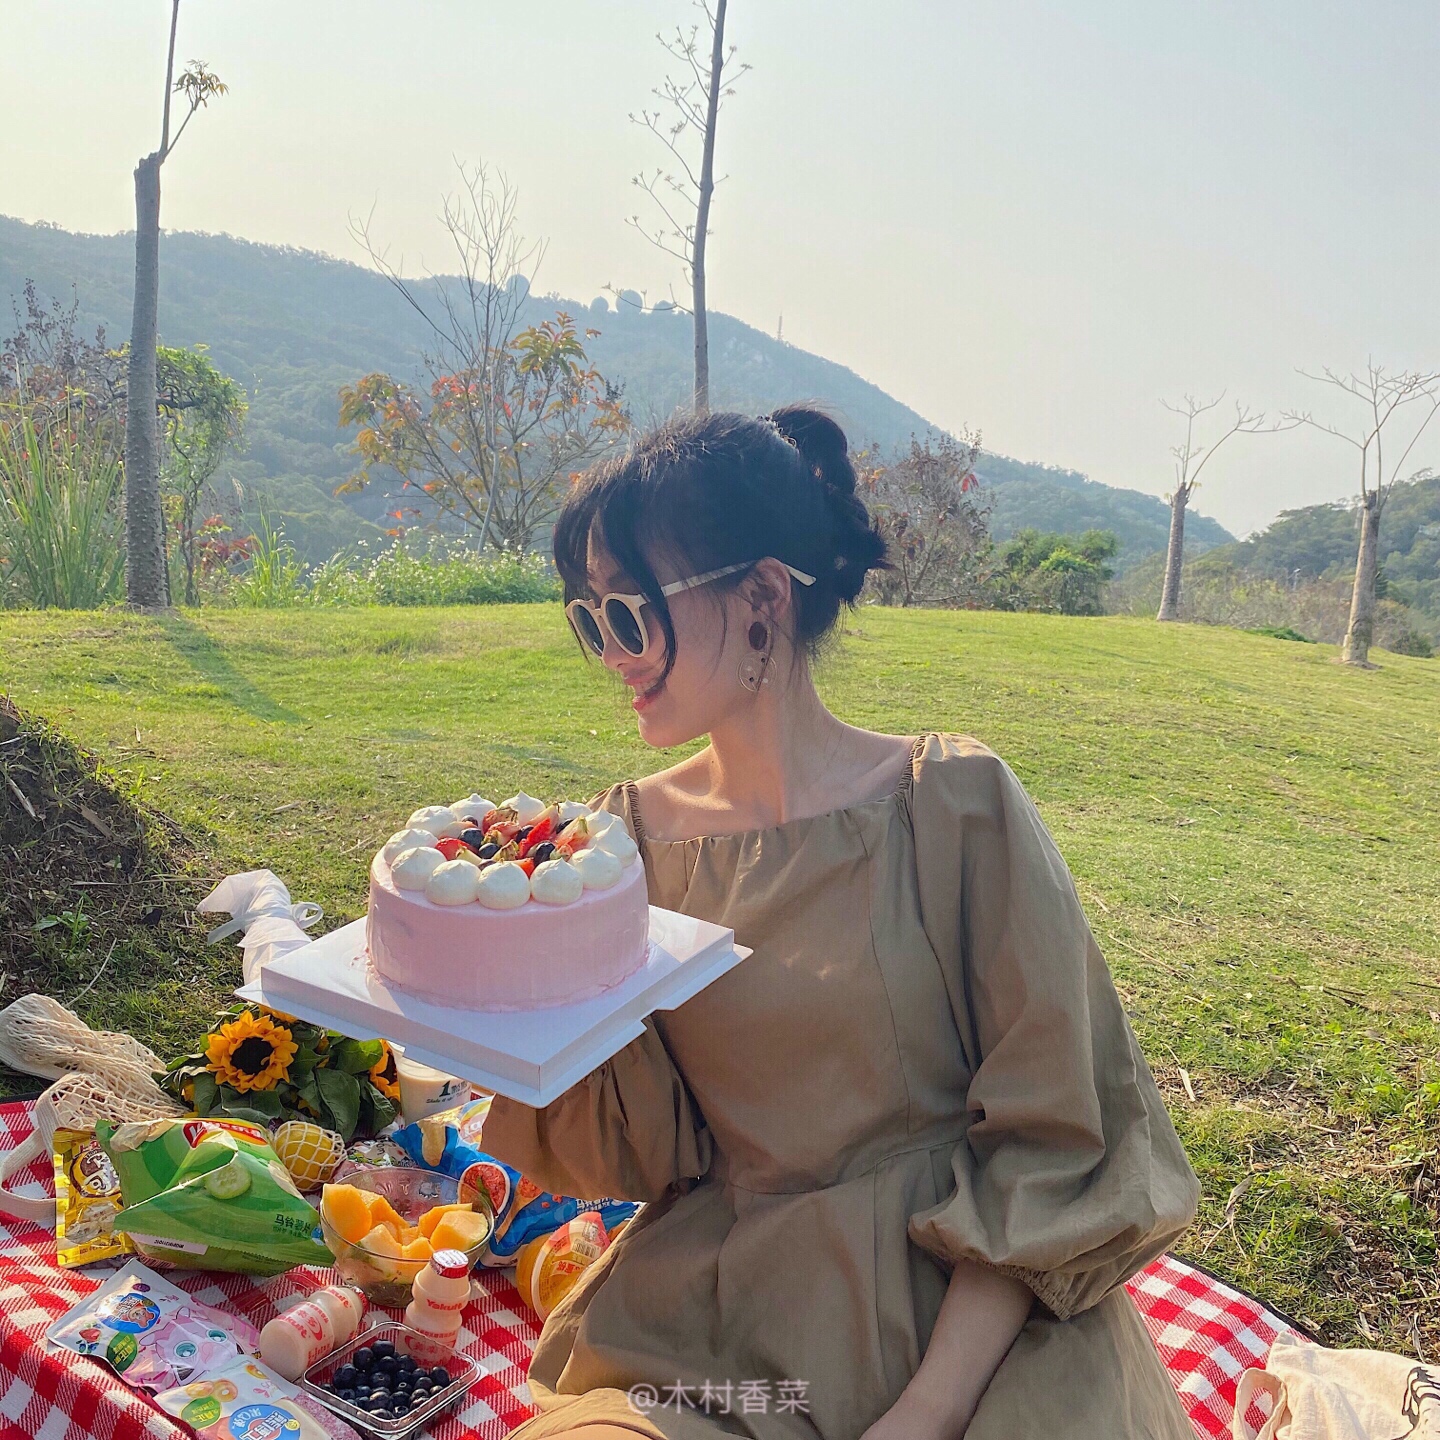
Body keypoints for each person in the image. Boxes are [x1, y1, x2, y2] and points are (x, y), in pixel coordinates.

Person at [481, 407, 1201, 1440]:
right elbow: (640, 1151)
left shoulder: (951, 805)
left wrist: (928, 1412)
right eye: (590, 621)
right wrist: (498, 1006)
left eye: (632, 613)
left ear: (762, 598)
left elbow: (1052, 1136)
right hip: (721, 1334)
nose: (612, 655)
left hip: (976, 1320)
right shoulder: (618, 845)